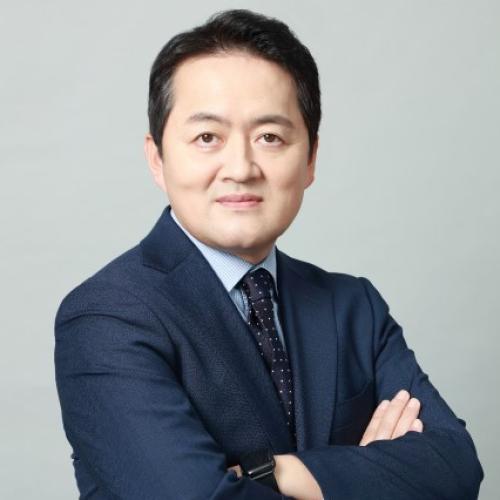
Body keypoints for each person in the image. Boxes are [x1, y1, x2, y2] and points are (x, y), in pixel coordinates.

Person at [54, 9, 483, 500]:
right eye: (207, 137)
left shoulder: (354, 308)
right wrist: (363, 475)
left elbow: (456, 467)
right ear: (158, 158)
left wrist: (276, 473)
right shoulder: (105, 318)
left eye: (270, 138)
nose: (240, 168)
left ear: (310, 159)